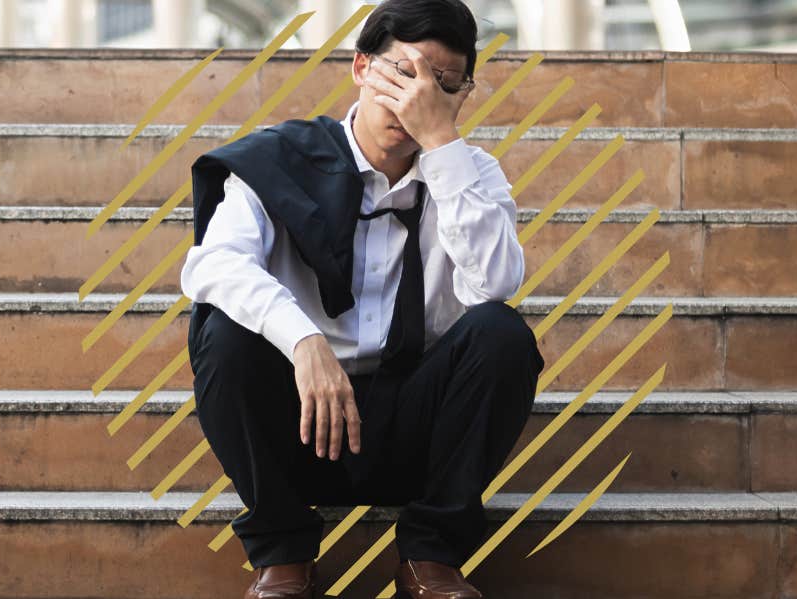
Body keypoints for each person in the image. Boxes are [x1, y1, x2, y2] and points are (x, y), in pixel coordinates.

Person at [181, 1, 545, 597]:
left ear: (461, 97)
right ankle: (284, 553)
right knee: (222, 332)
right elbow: (213, 264)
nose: (415, 98)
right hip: (299, 421)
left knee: (501, 335)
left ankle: (432, 556)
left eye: (442, 85)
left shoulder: (471, 175)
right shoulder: (279, 160)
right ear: (359, 68)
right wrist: (303, 339)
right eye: (403, 72)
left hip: (412, 428)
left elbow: (494, 287)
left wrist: (443, 148)